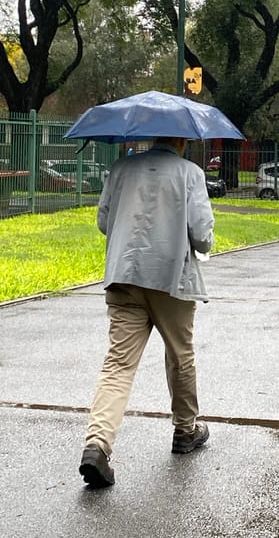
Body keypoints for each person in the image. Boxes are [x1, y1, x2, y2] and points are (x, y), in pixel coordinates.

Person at [79, 136, 215, 488]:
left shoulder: (121, 168)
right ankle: (185, 431)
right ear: (182, 139)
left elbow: (104, 222)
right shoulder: (191, 173)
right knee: (180, 355)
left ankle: (97, 444)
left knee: (118, 364)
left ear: (152, 136)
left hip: (125, 274)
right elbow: (202, 236)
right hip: (172, 279)